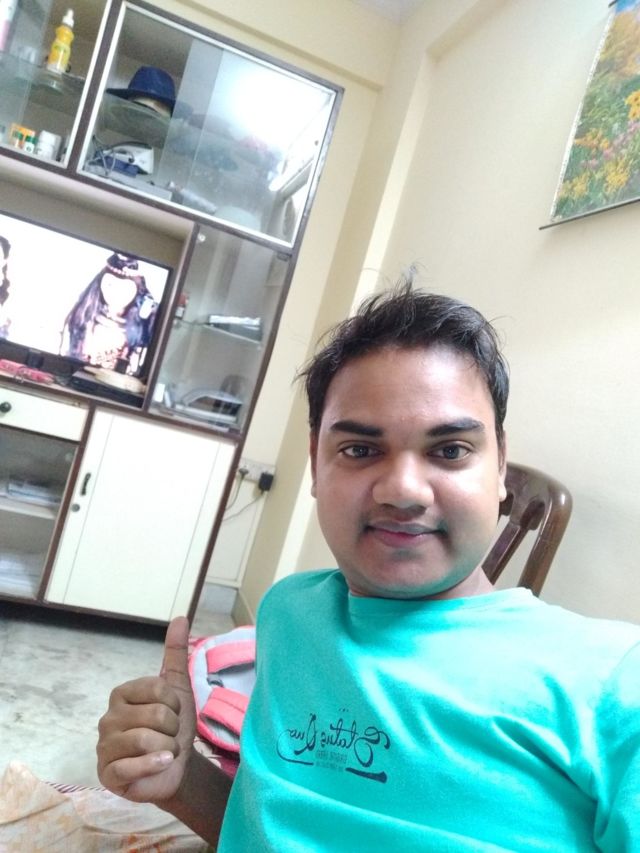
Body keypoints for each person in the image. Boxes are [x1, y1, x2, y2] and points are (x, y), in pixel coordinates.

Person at [97, 283, 640, 851]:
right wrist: (180, 780)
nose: (403, 491)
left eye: (450, 450)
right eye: (359, 450)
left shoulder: (612, 683)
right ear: (315, 464)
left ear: (499, 464)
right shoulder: (290, 616)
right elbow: (267, 829)